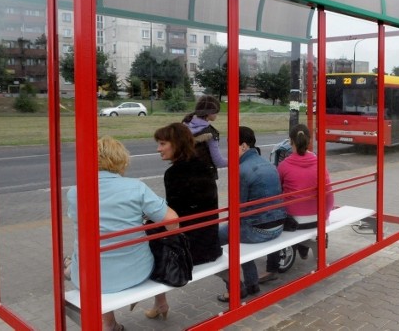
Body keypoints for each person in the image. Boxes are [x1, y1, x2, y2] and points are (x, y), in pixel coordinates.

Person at [66, 136, 179, 331]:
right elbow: (171, 221)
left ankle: (109, 323)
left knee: (89, 258)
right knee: (153, 242)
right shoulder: (135, 187)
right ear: (120, 159)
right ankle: (161, 303)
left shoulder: (75, 192)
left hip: (89, 277)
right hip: (136, 271)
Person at [143, 123, 223, 320]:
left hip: (189, 251)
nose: (158, 149)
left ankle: (160, 302)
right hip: (210, 243)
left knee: (146, 241)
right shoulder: (204, 165)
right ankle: (159, 303)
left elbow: (174, 218)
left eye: (162, 143)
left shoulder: (174, 173)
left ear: (176, 144)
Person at [216, 126, 287, 302]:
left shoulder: (241, 170)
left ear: (244, 146)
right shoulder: (269, 165)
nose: (229, 150)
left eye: (231, 145)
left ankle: (235, 287)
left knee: (217, 237)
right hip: (278, 226)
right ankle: (252, 282)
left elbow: (237, 210)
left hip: (258, 231)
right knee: (238, 232)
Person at [261, 124, 335, 283]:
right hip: (317, 220)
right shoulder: (319, 163)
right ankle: (303, 247)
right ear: (308, 141)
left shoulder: (284, 165)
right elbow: (329, 196)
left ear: (290, 142)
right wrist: (325, 216)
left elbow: (276, 193)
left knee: (273, 218)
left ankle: (272, 268)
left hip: (292, 222)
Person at [182, 95, 228, 178]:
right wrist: (236, 160)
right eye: (216, 111)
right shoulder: (210, 133)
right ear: (209, 112)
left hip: (183, 174)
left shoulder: (184, 125)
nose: (217, 114)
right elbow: (218, 162)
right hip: (203, 178)